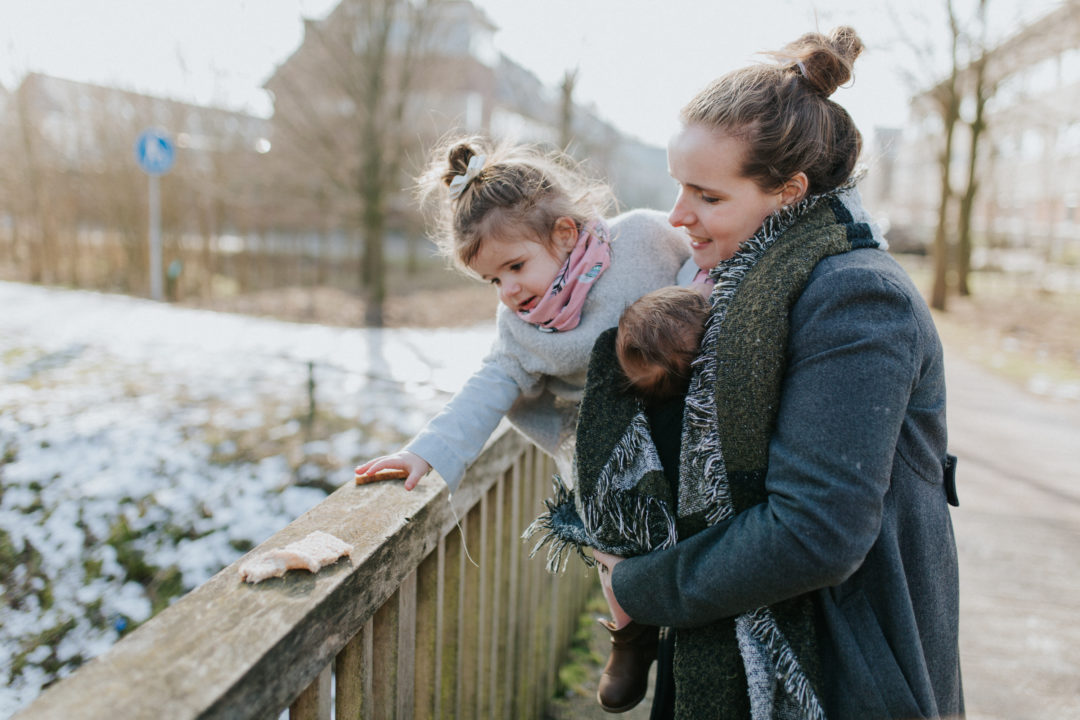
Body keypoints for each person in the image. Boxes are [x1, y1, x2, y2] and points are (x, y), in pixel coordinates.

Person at [588, 27, 963, 720]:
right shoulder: (728, 284)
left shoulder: (857, 299)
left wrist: (638, 588)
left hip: (839, 667)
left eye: (706, 194)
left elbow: (815, 531)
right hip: (731, 637)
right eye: (678, 187)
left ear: (788, 191)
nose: (678, 215)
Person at [354, 136, 690, 496]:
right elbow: (487, 387)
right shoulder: (522, 329)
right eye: (494, 279)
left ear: (564, 234)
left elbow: (704, 261)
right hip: (622, 459)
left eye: (516, 266)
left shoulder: (643, 237)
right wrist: (425, 452)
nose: (507, 290)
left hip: (694, 414)